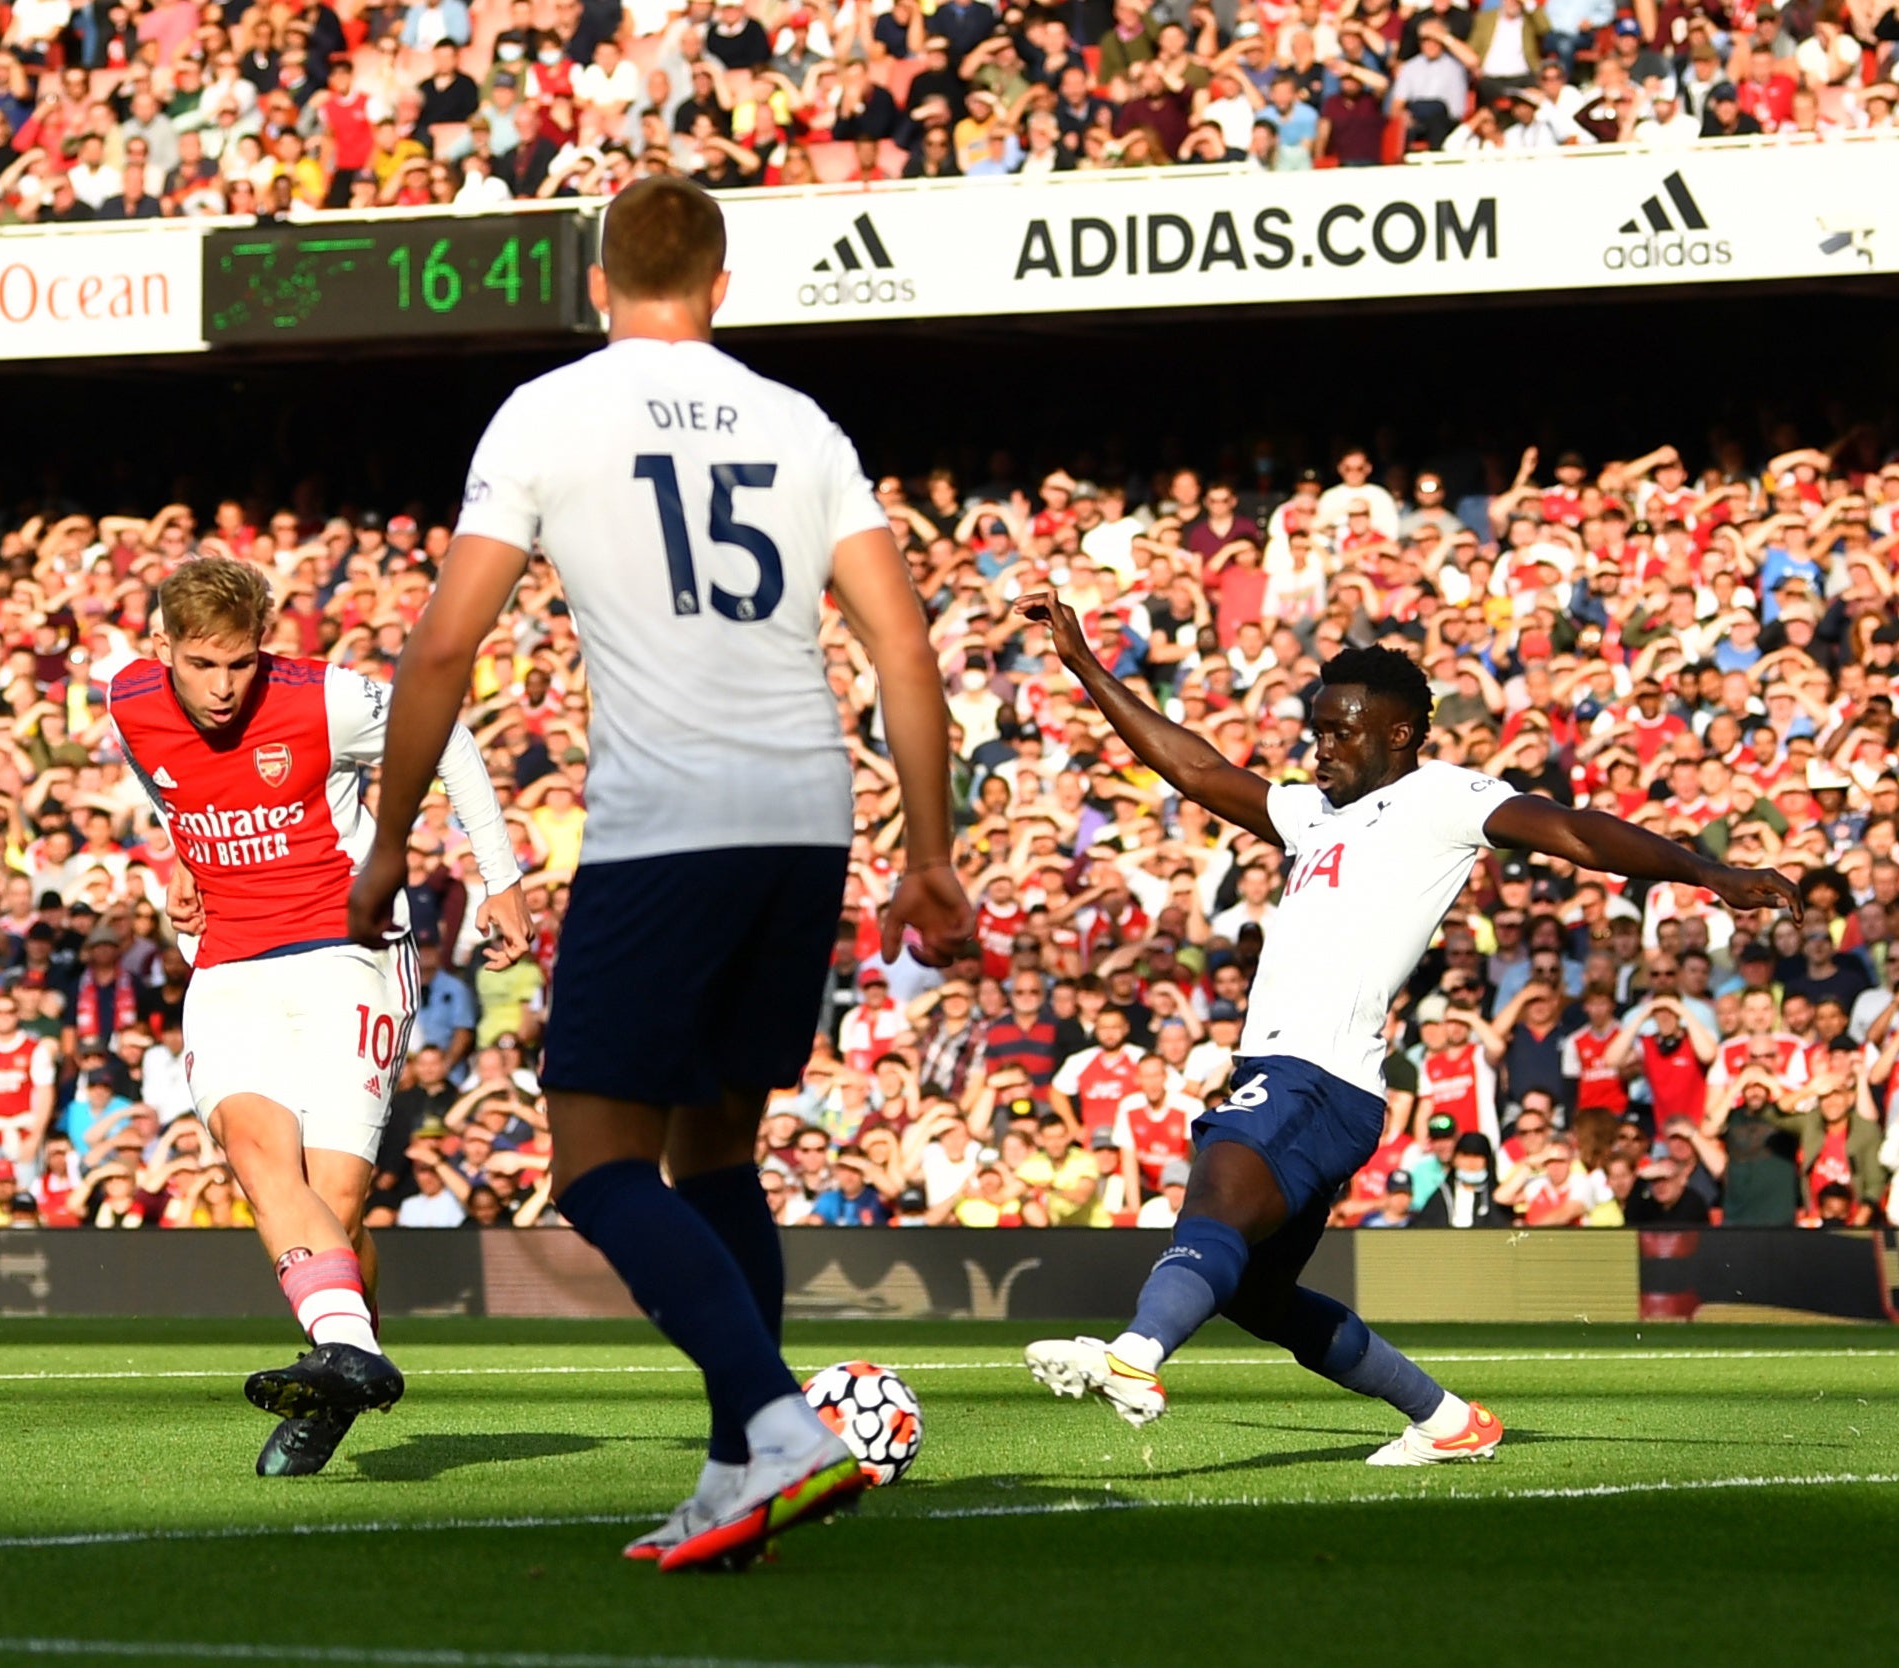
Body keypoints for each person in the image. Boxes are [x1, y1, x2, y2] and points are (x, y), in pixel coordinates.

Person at [345, 175, 972, 1572]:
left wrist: (390, 834)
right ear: (722, 285)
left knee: (597, 1164)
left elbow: (444, 647)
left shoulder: (550, 412)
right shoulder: (800, 423)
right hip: (805, 814)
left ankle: (777, 1420)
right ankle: (737, 1476)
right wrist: (929, 853)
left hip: (667, 819)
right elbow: (905, 649)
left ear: (594, 284)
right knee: (719, 1153)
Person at [1014, 601, 1798, 1464]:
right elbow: (1196, 770)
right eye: (1315, 729)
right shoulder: (1314, 812)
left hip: (1314, 1071)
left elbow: (1574, 831)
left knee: (1216, 1197)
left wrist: (1703, 870)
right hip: (1306, 1075)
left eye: (1341, 733)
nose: (1322, 748)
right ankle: (1446, 1421)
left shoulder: (1437, 798)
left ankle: (1134, 1355)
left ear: (1399, 736)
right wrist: (1085, 665)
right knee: (1258, 1296)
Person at [109, 556, 530, 1479]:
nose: (223, 688)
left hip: (351, 950)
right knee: (261, 1158)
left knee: (333, 1207)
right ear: (162, 649)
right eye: (202, 664)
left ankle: (340, 1369)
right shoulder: (126, 700)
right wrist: (184, 856)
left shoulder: (323, 698)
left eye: (241, 664)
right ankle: (348, 1353)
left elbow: (447, 738)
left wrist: (501, 880)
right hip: (228, 961)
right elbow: (168, 785)